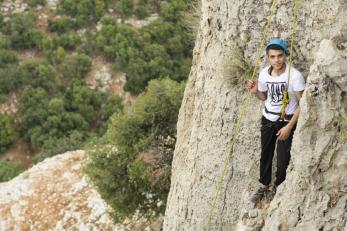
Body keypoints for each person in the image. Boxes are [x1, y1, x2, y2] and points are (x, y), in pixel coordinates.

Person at [246, 38, 305, 203]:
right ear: (268, 57)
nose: (276, 60)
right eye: (272, 57)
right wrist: (255, 91)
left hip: (286, 120)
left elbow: (303, 103)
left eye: (279, 56)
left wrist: (289, 127)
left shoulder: (295, 76)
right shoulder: (264, 73)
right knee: (266, 154)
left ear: (285, 55)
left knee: (283, 159)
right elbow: (264, 97)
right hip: (268, 118)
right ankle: (264, 184)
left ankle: (277, 187)